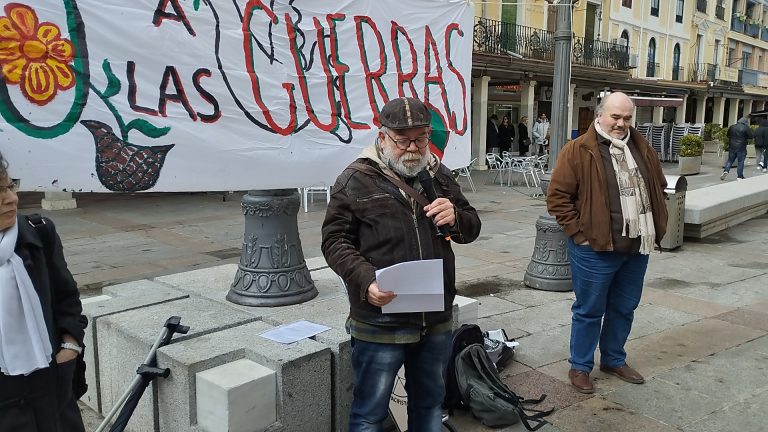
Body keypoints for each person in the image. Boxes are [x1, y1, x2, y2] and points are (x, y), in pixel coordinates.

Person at [322, 97, 481, 431]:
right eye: (402, 140)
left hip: (435, 319)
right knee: (369, 414)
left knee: (430, 405)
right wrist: (366, 280)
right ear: (383, 138)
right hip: (380, 320)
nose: (412, 148)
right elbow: (334, 241)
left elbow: (471, 228)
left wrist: (455, 217)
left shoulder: (440, 176)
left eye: (420, 139)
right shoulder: (355, 179)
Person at [546, 92, 668, 394]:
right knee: (589, 310)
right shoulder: (578, 150)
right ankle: (580, 366)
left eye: (627, 118)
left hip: (637, 247)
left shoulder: (642, 148)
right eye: (615, 116)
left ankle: (613, 359)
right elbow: (558, 198)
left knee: (624, 308)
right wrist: (580, 235)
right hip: (595, 249)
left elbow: (658, 185)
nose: (621, 123)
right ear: (599, 115)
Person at [0, 151, 88, 432]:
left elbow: (67, 299)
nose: (11, 198)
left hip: (51, 390)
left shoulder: (38, 233)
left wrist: (70, 346)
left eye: (9, 186)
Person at [721, 116, 753, 180]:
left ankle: (726, 170)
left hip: (732, 146)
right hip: (741, 147)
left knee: (730, 160)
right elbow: (750, 136)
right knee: (740, 161)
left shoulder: (732, 127)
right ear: (745, 122)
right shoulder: (746, 127)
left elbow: (728, 135)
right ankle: (739, 176)